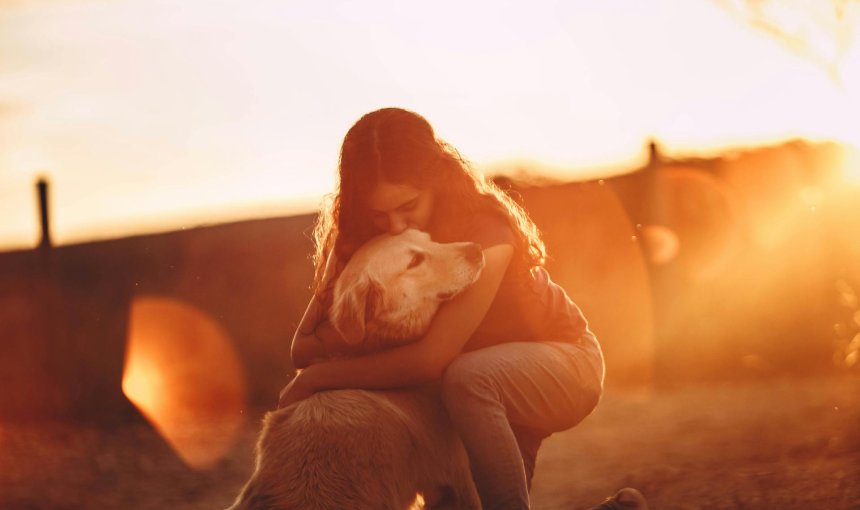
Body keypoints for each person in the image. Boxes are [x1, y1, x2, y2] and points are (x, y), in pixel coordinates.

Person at [278, 107, 647, 510]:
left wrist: (316, 379)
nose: (396, 227)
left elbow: (430, 360)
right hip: (470, 392)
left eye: (408, 206)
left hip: (560, 361)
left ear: (434, 181)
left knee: (466, 377)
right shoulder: (360, 240)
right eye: (379, 214)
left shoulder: (486, 231)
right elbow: (302, 345)